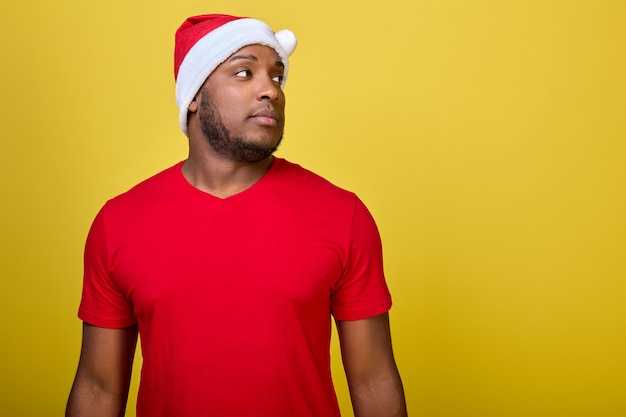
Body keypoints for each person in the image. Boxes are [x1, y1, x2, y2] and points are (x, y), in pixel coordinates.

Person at [66, 13, 407, 417]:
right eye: (244, 72)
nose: (271, 91)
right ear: (193, 95)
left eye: (277, 77)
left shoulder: (343, 215)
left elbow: (373, 380)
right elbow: (97, 387)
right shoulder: (119, 222)